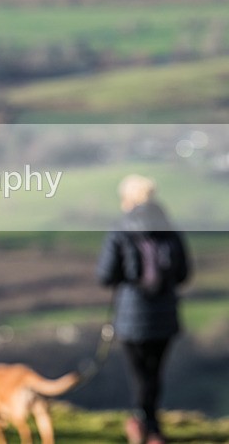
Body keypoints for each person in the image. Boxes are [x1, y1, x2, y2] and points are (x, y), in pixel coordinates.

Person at [96, 174, 189, 444]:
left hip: (130, 316)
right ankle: (152, 426)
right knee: (154, 373)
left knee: (140, 375)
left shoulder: (120, 228)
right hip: (166, 315)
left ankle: (144, 426)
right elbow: (183, 273)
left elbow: (105, 275)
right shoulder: (170, 228)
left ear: (128, 199)